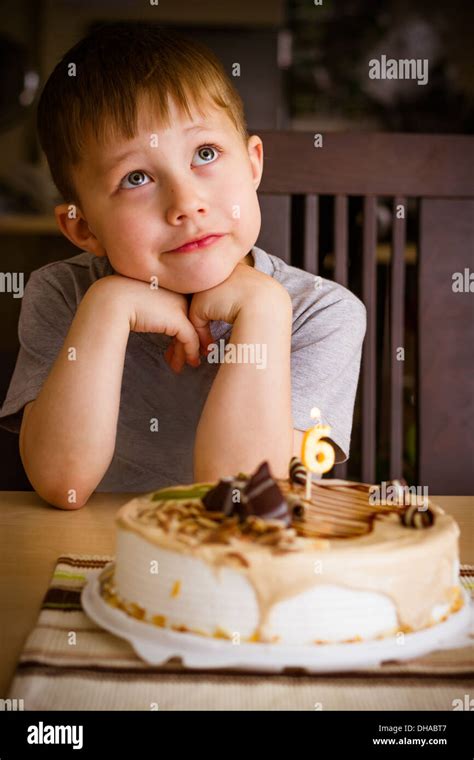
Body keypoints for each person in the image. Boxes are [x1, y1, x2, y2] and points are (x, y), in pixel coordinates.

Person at [0, 22, 366, 509]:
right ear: (84, 229)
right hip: (99, 560)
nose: (186, 202)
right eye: (136, 177)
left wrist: (262, 310)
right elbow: (61, 484)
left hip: (242, 573)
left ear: (253, 164)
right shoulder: (63, 296)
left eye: (206, 153)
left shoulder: (319, 312)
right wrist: (107, 306)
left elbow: (243, 501)